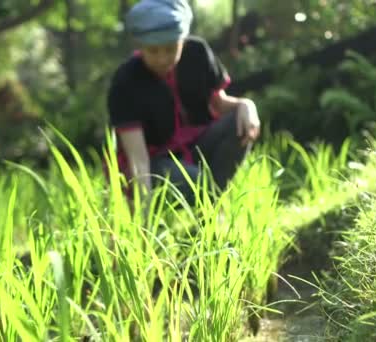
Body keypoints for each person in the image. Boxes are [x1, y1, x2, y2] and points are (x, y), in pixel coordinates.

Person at [106, 0, 261, 210]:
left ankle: (208, 219)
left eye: (171, 49)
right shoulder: (126, 82)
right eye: (153, 51)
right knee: (198, 184)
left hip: (196, 145)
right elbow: (138, 159)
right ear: (140, 46)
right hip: (155, 163)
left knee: (239, 124)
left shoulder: (197, 53)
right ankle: (212, 212)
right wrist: (141, 222)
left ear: (183, 41)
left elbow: (220, 103)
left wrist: (246, 105)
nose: (162, 59)